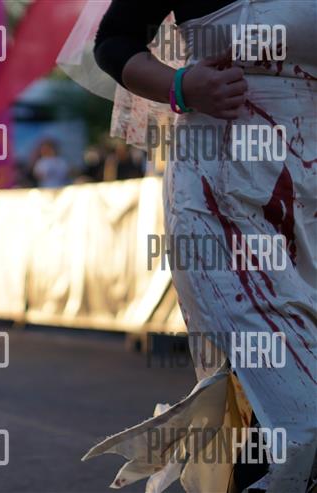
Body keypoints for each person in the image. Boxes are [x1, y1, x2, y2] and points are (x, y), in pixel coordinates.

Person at [80, 1, 316, 493]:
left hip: (309, 189)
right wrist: (181, 86)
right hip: (218, 190)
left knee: (276, 396)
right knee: (288, 393)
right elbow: (113, 41)